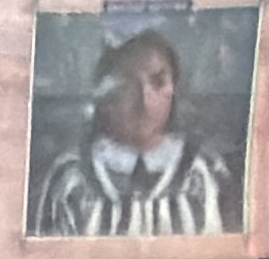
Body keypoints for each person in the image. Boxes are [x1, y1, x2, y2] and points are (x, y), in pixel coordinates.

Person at [35, 25, 236, 238]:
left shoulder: (203, 172)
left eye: (158, 83)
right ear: (106, 94)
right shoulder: (71, 177)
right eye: (128, 84)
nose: (144, 100)